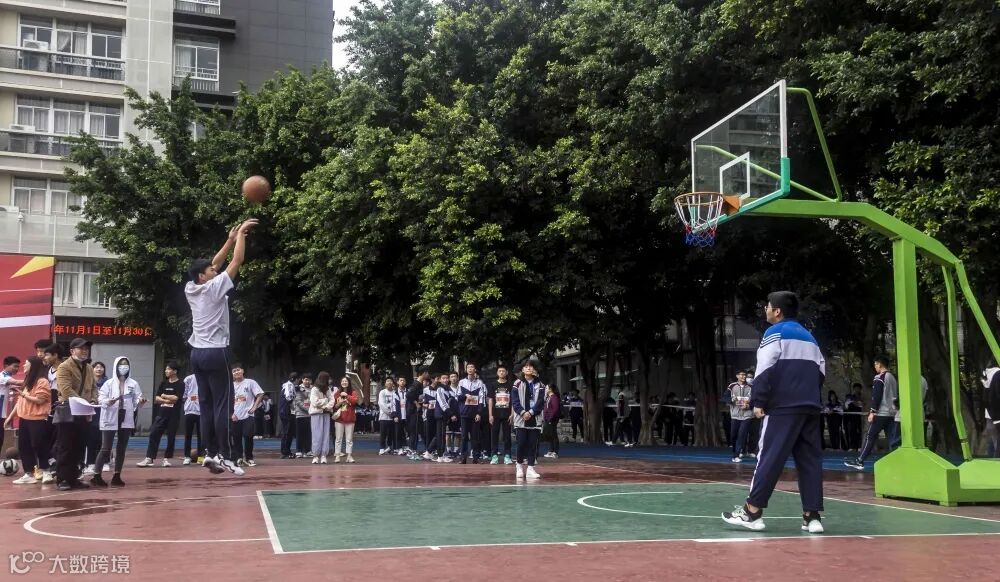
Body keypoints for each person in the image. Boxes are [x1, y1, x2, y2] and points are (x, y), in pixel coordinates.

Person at [722, 291, 826, 534]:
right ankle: (812, 517)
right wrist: (807, 393)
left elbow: (764, 368)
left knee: (769, 457)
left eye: (767, 306)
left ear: (777, 311)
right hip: (810, 406)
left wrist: (759, 400)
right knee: (810, 461)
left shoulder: (774, 333)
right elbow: (821, 370)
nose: (765, 310)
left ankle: (752, 512)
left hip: (782, 408)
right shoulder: (810, 337)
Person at [185, 217, 258, 476]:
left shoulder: (191, 288)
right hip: (216, 352)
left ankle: (210, 452)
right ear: (203, 276)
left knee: (206, 406)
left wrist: (228, 239)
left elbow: (215, 263)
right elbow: (236, 261)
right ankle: (226, 456)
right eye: (210, 271)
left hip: (196, 354)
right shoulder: (214, 288)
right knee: (223, 406)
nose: (215, 271)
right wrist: (242, 236)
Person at [54, 338, 98, 491]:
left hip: (84, 412)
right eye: (81, 348)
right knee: (66, 446)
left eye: (86, 348)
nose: (85, 351)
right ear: (72, 351)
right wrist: (84, 403)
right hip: (68, 410)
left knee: (80, 446)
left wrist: (93, 400)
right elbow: (66, 390)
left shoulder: (89, 368)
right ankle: (62, 479)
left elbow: (94, 388)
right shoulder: (64, 367)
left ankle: (74, 478)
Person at [92, 356, 142, 487]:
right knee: (105, 448)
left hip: (126, 416)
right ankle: (96, 475)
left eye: (126, 365)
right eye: (121, 364)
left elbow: (137, 399)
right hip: (111, 415)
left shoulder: (133, 384)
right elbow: (100, 399)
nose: (123, 367)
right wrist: (108, 401)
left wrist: (140, 401)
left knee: (121, 448)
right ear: (116, 366)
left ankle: (117, 475)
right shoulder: (108, 383)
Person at [844, 356, 898, 470]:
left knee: (870, 436)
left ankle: (860, 461)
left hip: (881, 412)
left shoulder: (880, 377)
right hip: (892, 413)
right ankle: (899, 462)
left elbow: (876, 395)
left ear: (880, 364)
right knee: (892, 440)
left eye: (875, 364)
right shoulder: (892, 378)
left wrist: (872, 411)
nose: (875, 367)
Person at [6, 356, 52, 484]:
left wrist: (24, 394)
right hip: (24, 418)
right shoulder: (27, 380)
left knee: (39, 444)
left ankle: (46, 471)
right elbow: (20, 402)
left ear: (33, 366)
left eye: (26, 364)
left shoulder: (42, 381)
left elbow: (40, 400)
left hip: (37, 418)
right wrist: (10, 417)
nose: (23, 366)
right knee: (24, 446)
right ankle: (29, 473)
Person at [138, 361, 184, 468]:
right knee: (154, 433)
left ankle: (167, 459)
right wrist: (166, 399)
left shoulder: (180, 384)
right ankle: (149, 458)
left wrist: (164, 396)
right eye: (166, 369)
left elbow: (176, 398)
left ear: (175, 371)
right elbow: (157, 398)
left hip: (173, 415)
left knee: (171, 437)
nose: (166, 371)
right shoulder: (163, 383)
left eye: (168, 369)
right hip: (161, 414)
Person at [511, 361, 544, 480]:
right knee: (521, 444)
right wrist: (523, 412)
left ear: (534, 369)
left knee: (532, 445)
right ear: (522, 370)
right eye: (526, 367)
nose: (528, 368)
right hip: (521, 419)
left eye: (530, 366)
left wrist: (530, 412)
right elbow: (515, 401)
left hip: (535, 418)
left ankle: (530, 468)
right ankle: (519, 466)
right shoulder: (517, 383)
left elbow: (541, 401)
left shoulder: (540, 385)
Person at [231, 364, 264, 467]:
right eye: (234, 371)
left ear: (243, 370)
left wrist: (254, 407)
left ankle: (249, 458)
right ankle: (239, 458)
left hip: (248, 414)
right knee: (236, 437)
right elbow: (226, 400)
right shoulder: (230, 385)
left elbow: (260, 394)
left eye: (238, 370)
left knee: (248, 435)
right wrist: (231, 414)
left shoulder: (250, 382)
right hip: (235, 415)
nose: (236, 372)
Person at [458, 363, 486, 464]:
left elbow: (482, 399)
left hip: (475, 414)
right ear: (466, 370)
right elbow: (458, 397)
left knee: (475, 437)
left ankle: (476, 457)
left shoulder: (480, 383)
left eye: (472, 367)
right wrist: (465, 395)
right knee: (464, 437)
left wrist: (479, 413)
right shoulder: (461, 382)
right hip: (464, 414)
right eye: (468, 367)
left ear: (475, 370)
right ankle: (463, 457)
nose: (470, 369)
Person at [488, 364, 514, 464]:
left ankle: (507, 455)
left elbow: (513, 401)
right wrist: (490, 415)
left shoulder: (510, 385)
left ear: (506, 372)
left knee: (507, 436)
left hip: (507, 414)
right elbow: (490, 400)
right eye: (500, 371)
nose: (502, 372)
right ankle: (494, 455)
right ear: (497, 373)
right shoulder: (493, 385)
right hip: (495, 414)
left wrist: (512, 414)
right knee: (494, 435)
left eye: (503, 371)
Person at [728, 370, 754, 462]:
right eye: (742, 375)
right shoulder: (732, 386)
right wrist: (734, 401)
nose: (744, 376)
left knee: (742, 434)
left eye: (745, 375)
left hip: (747, 415)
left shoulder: (751, 387)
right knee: (733, 435)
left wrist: (748, 405)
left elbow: (755, 400)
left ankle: (736, 455)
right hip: (735, 415)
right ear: (737, 376)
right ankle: (735, 451)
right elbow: (725, 398)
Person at [0, 356, 23, 457]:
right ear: (6, 366)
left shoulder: (7, 378)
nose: (17, 369)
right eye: (15, 366)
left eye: (18, 367)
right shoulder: (2, 376)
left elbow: (14, 386)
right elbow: (17, 382)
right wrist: (34, 380)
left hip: (2, 414)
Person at [309, 371, 334, 464]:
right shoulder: (314, 389)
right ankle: (315, 455)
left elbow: (332, 400)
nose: (329, 380)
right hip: (316, 414)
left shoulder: (328, 389)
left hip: (326, 414)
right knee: (316, 435)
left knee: (325, 435)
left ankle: (323, 455)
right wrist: (325, 401)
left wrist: (326, 407)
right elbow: (314, 402)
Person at [332, 376, 358, 463]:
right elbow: (334, 406)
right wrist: (340, 402)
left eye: (346, 381)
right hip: (339, 418)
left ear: (349, 382)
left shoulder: (353, 392)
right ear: (340, 383)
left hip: (350, 418)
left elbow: (355, 401)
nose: (344, 382)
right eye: (342, 381)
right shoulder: (337, 393)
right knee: (338, 439)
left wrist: (347, 396)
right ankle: (337, 456)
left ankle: (349, 456)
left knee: (349, 439)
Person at [433, 372, 455, 462]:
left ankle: (437, 454)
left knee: (441, 435)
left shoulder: (448, 389)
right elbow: (443, 403)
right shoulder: (440, 389)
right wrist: (451, 413)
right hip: (441, 415)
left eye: (446, 378)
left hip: (445, 415)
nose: (445, 380)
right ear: (440, 380)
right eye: (443, 378)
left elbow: (454, 399)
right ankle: (440, 456)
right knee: (441, 436)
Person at [182, 374, 203, 465]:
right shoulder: (188, 378)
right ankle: (187, 456)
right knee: (188, 435)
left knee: (201, 435)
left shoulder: (206, 376)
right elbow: (184, 394)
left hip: (202, 411)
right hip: (190, 410)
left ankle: (201, 457)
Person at [293, 374, 313, 458]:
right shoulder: (298, 388)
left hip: (310, 415)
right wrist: (308, 409)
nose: (307, 381)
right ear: (302, 380)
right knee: (300, 434)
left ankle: (308, 451)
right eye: (306, 379)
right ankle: (299, 451)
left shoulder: (313, 388)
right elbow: (298, 401)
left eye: (309, 380)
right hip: (300, 414)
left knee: (308, 434)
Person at [279, 372, 298, 459]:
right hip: (287, 411)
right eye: (298, 379)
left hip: (285, 411)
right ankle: (285, 451)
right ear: (295, 379)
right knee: (287, 431)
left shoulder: (287, 385)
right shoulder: (289, 385)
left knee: (288, 431)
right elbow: (289, 397)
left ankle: (286, 451)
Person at [983, 365, 1000, 458]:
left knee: (995, 441)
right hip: (996, 415)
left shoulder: (986, 374)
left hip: (990, 415)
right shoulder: (998, 374)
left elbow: (986, 398)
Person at [542, 384, 561, 458]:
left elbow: (555, 409)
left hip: (552, 419)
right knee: (550, 435)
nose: (545, 389)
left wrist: (551, 417)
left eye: (547, 388)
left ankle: (555, 452)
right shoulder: (548, 397)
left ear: (550, 389)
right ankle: (551, 450)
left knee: (553, 434)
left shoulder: (554, 397)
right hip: (547, 418)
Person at [377, 378, 396, 455]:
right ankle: (382, 448)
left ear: (393, 383)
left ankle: (389, 447)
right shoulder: (382, 392)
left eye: (390, 381)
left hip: (393, 417)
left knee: (391, 433)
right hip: (384, 417)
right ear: (385, 384)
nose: (389, 382)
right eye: (387, 381)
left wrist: (394, 415)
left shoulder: (395, 392)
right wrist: (390, 414)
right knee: (383, 433)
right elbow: (382, 404)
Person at [843, 383, 864, 451]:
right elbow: (846, 406)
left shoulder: (863, 397)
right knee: (852, 432)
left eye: (858, 388)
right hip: (852, 418)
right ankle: (853, 447)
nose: (857, 390)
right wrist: (853, 403)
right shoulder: (850, 397)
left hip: (861, 418)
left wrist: (857, 404)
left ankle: (860, 446)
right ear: (854, 389)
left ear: (860, 389)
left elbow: (862, 405)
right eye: (856, 388)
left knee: (860, 432)